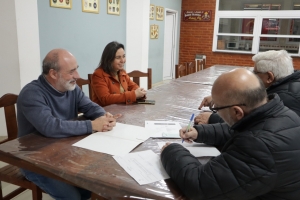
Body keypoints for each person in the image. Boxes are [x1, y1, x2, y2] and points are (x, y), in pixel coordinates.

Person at [161, 68, 300, 199]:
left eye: (216, 107)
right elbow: (241, 130)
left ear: (236, 112)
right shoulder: (282, 113)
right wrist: (199, 132)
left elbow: (199, 185)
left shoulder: (258, 146)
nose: (214, 110)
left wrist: (171, 150)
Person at [17, 48, 119, 200]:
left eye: (76, 70)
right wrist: (92, 125)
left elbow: (90, 106)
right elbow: (50, 127)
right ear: (53, 73)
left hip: (65, 152)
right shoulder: (31, 94)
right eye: (71, 72)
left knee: (91, 186)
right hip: (35, 160)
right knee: (73, 197)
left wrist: (103, 116)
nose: (77, 76)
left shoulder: (71, 88)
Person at [195, 49, 300, 124]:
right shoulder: (288, 82)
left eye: (256, 73)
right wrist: (221, 98)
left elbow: (254, 123)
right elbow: (251, 98)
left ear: (269, 77)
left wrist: (213, 118)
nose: (252, 76)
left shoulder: (287, 97)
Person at [91, 41, 147, 106]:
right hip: (105, 113)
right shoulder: (98, 74)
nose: (122, 60)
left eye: (124, 56)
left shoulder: (122, 72)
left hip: (122, 110)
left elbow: (134, 86)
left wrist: (139, 93)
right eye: (118, 57)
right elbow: (105, 99)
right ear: (109, 60)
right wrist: (133, 95)